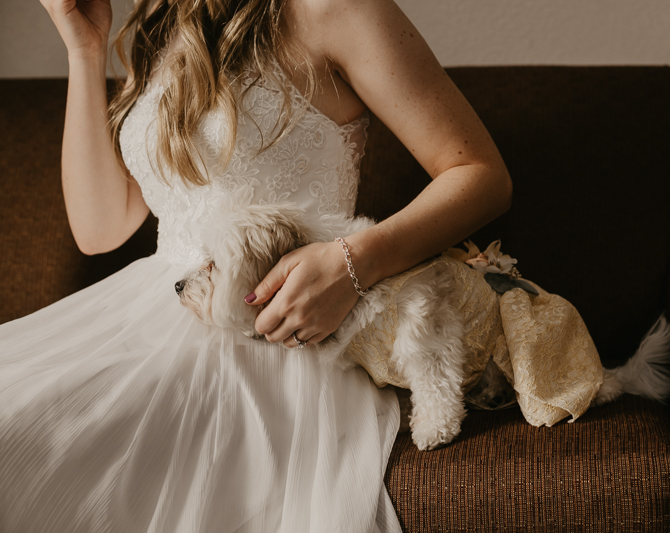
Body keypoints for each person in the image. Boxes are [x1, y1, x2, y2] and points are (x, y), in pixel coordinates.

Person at [0, 0, 511, 530]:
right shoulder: (165, 17)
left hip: (273, 334)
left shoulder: (331, 8)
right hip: (147, 311)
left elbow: (480, 174)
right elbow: (99, 227)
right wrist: (83, 50)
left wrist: (352, 262)